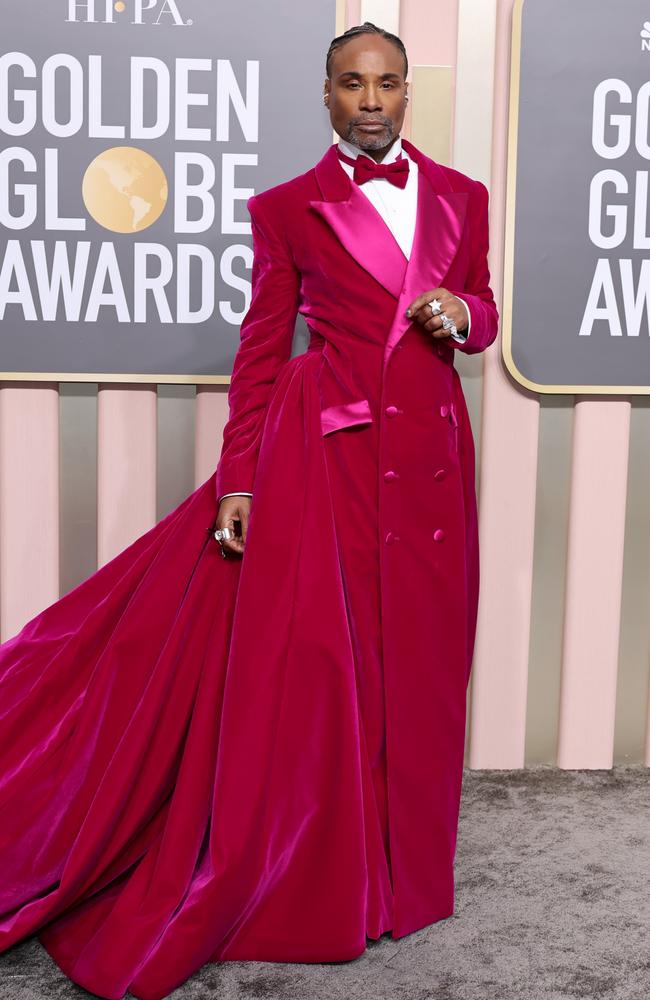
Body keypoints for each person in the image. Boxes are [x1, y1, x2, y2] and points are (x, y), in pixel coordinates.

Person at [0, 20, 499, 1000]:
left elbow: (482, 302)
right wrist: (238, 482)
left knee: (426, 667)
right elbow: (262, 348)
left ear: (407, 92)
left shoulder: (463, 197)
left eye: (387, 83)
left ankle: (413, 881)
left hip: (431, 461)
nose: (370, 100)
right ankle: (338, 884)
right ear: (325, 94)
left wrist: (466, 317)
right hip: (324, 463)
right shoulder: (287, 208)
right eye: (351, 83)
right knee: (328, 674)